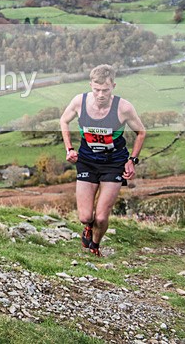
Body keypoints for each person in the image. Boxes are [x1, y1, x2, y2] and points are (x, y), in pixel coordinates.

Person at [60, 64, 145, 257]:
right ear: (90, 85)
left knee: (100, 216)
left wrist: (132, 160)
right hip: (87, 161)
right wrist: (69, 148)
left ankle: (95, 246)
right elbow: (64, 120)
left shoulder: (123, 108)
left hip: (114, 163)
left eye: (105, 90)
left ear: (113, 86)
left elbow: (141, 132)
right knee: (85, 216)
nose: (100, 94)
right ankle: (87, 227)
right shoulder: (79, 102)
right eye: (96, 89)